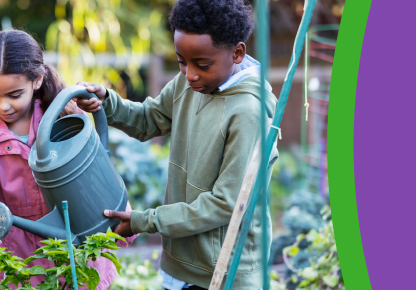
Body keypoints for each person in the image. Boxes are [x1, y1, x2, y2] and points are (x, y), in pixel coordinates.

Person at [74, 0, 278, 289]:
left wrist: (145, 221)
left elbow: (227, 203)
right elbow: (149, 120)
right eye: (182, 61)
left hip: (226, 272)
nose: (190, 74)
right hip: (179, 263)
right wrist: (107, 102)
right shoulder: (188, 84)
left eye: (202, 65)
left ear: (237, 52)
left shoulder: (249, 113)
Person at [0, 29, 134, 289]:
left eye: (14, 94)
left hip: (77, 251)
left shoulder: (61, 116)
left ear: (37, 80)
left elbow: (95, 170)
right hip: (21, 260)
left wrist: (122, 216)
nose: (3, 106)